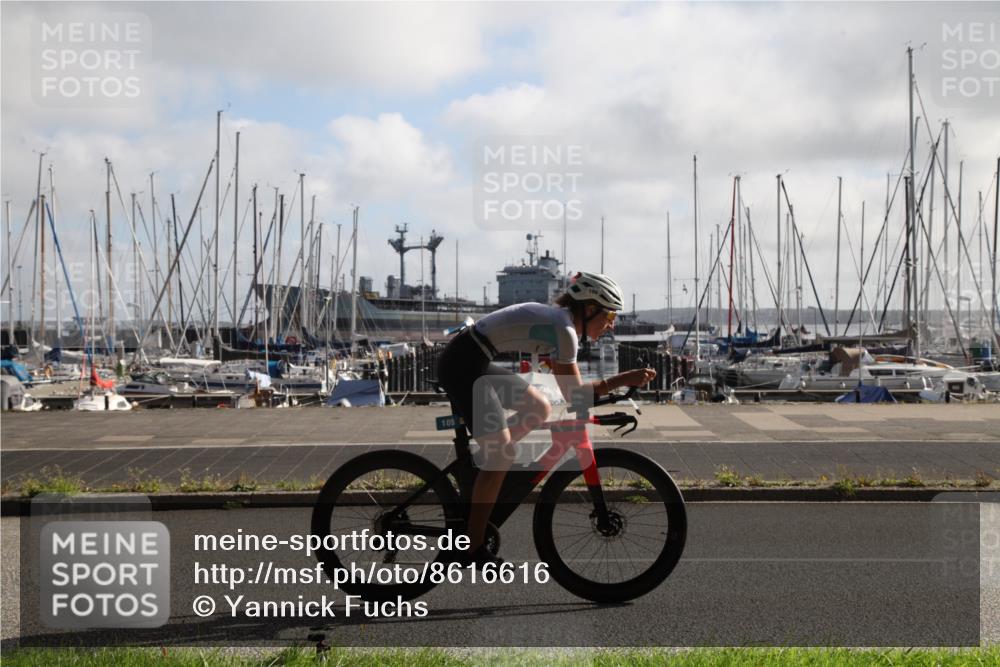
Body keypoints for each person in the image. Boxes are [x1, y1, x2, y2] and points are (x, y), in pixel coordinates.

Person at [436, 272, 656, 566]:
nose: (612, 323)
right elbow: (575, 395)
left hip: (472, 358)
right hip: (463, 366)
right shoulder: (564, 331)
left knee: (539, 408)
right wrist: (622, 380)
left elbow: (566, 389)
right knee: (502, 456)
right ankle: (473, 548)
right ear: (590, 309)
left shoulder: (561, 325)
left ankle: (483, 466)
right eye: (610, 314)